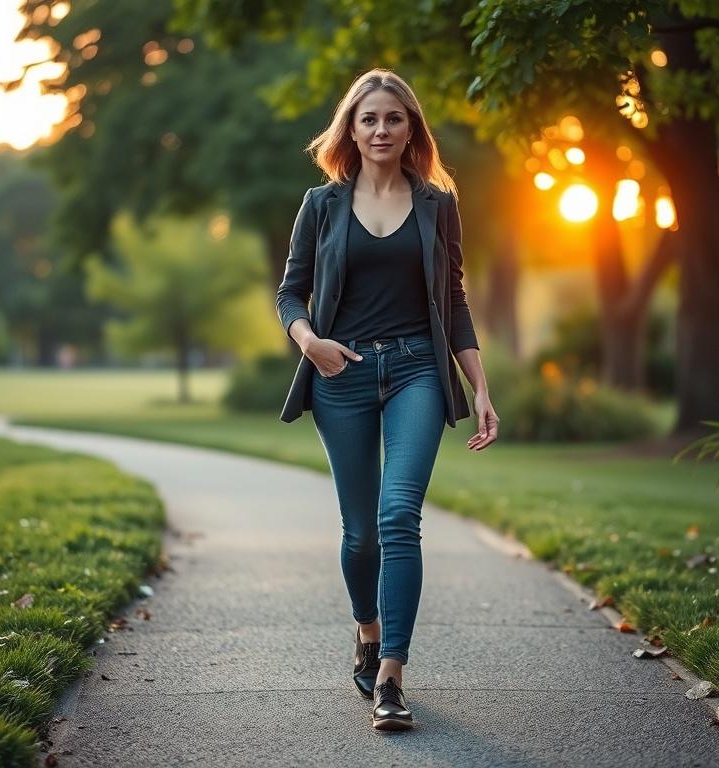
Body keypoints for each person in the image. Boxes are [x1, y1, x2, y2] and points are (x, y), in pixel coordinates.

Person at [275, 68, 499, 731]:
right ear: (351, 127)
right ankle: (367, 631)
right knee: (361, 530)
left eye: (393, 119)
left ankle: (392, 675)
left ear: (411, 129)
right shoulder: (321, 204)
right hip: (340, 374)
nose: (380, 130)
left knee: (400, 513)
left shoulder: (438, 205)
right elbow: (290, 291)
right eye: (368, 119)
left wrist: (480, 388)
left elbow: (453, 301)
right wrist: (309, 340)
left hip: (416, 374)